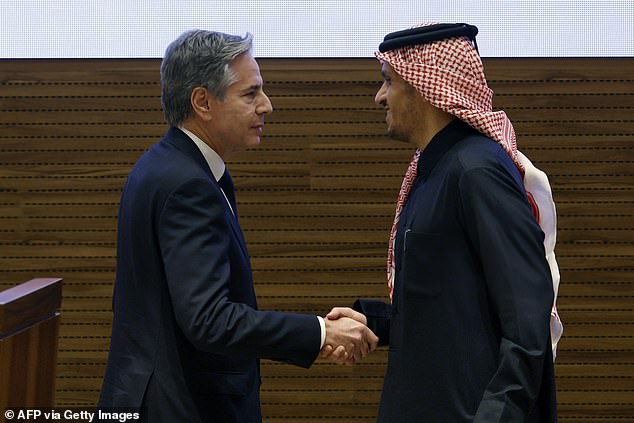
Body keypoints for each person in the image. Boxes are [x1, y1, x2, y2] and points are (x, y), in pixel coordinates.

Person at [98, 29, 378, 423]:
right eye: (251, 94)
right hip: (179, 406)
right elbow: (209, 320)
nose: (267, 106)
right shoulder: (187, 185)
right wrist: (320, 333)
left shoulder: (166, 166)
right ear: (202, 101)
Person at [324, 23, 563, 422]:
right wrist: (375, 321)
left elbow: (527, 317)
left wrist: (496, 415)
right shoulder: (435, 171)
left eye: (388, 81)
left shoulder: (476, 171)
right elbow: (452, 307)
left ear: (422, 87)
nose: (379, 97)